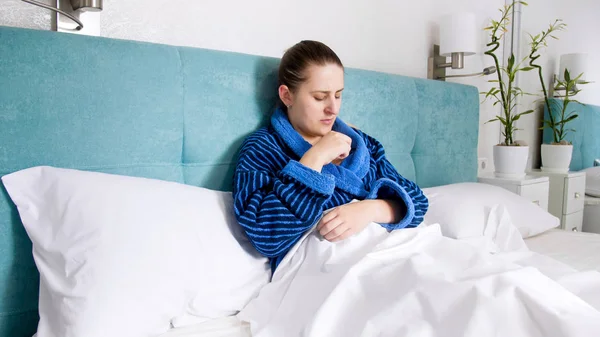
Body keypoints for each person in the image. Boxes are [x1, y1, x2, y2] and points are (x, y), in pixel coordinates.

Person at [233, 40, 429, 273]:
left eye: (338, 95)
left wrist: (368, 210)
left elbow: (417, 201)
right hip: (324, 269)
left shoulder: (360, 143)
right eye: (319, 97)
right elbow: (266, 236)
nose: (333, 108)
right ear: (287, 95)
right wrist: (313, 159)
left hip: (389, 253)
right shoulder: (262, 148)